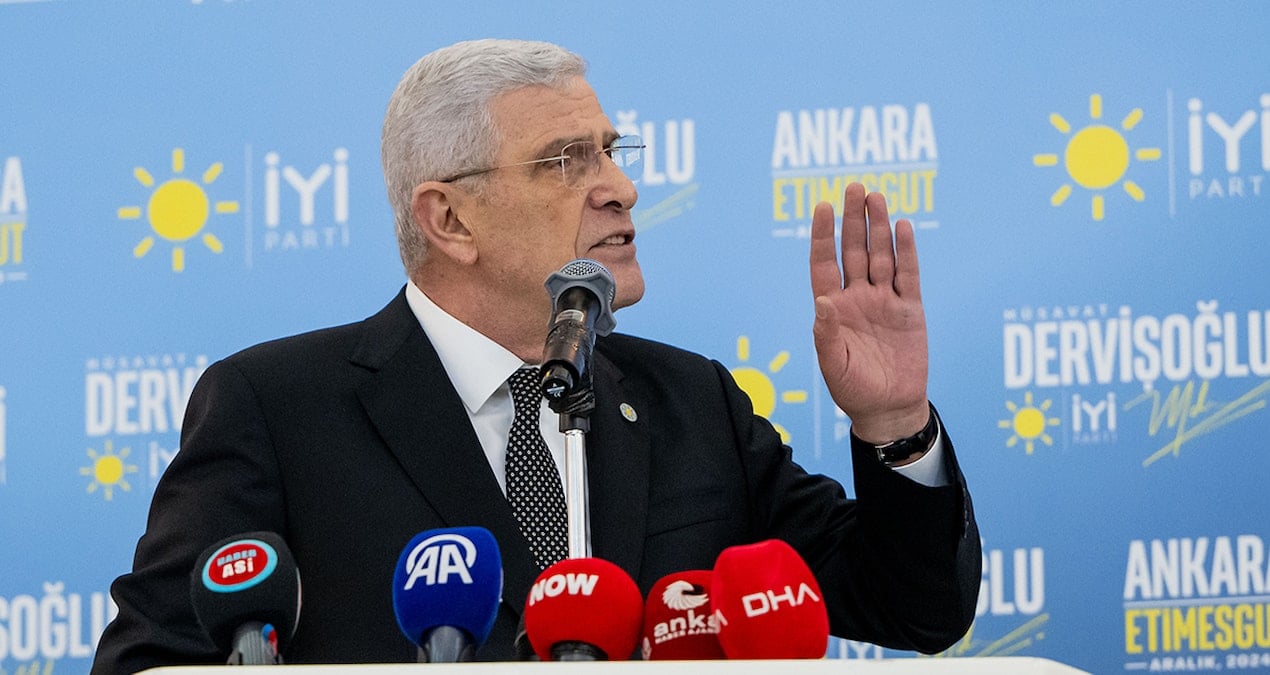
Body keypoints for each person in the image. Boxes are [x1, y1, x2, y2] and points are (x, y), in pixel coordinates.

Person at [92, 38, 980, 671]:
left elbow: (914, 610)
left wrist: (894, 422)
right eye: (565, 161)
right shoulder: (277, 407)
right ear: (449, 218)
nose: (621, 186)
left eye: (611, 151)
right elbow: (152, 660)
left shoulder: (689, 399)